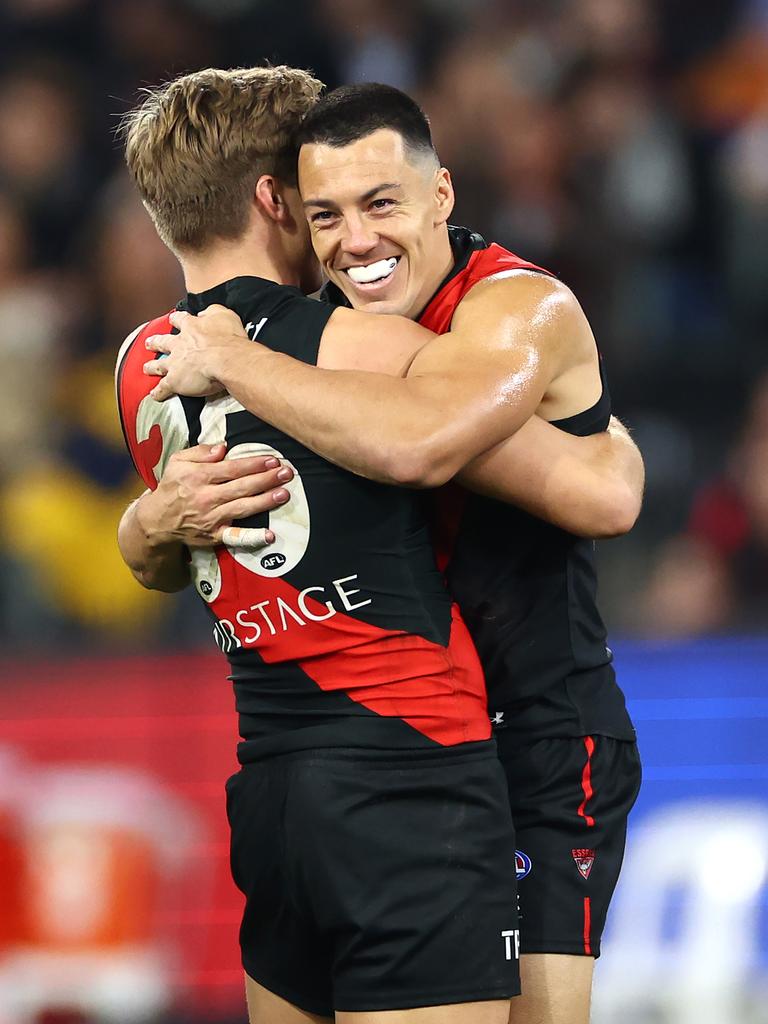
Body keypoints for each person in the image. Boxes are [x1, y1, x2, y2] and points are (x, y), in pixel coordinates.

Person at [116, 66, 640, 1024]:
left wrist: (232, 356)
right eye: (327, 214)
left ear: (441, 194)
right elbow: (163, 542)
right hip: (413, 750)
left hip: (537, 727)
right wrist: (149, 520)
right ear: (286, 206)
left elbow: (601, 490)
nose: (355, 240)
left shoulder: (508, 309)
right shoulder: (348, 336)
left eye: (379, 203)